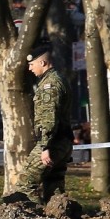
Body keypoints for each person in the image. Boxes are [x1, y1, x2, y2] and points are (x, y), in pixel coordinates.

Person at [13, 42, 74, 204]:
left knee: (25, 184)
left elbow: (49, 118)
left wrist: (45, 146)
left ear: (43, 63)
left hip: (52, 143)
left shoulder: (49, 85)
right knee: (54, 186)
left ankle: (33, 218)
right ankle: (61, 217)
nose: (30, 68)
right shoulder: (59, 79)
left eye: (32, 64)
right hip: (63, 141)